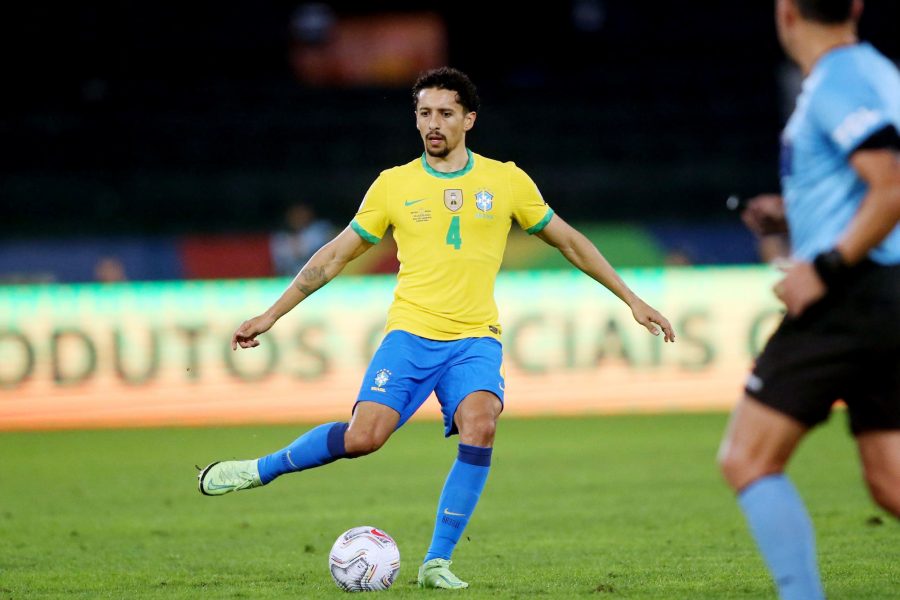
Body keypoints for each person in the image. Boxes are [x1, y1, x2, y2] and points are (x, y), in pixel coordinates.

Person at [198, 67, 675, 590]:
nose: (433, 123)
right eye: (424, 113)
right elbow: (333, 257)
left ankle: (437, 562)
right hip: (410, 335)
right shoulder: (394, 185)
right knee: (362, 439)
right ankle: (258, 469)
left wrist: (632, 298)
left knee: (482, 422)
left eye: (445, 113)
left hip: (475, 339)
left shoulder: (506, 181)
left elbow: (571, 242)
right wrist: (271, 313)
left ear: (469, 119)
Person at [717, 1, 900, 599]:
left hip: (853, 296)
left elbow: (891, 186)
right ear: (855, 6)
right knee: (890, 481)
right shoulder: (877, 72)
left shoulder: (838, 78)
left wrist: (824, 265)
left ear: (786, 12)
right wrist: (793, 210)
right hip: (884, 292)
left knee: (747, 458)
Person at [270, 203, 334, 277]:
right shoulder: (280, 237)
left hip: (320, 277)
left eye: (302, 213)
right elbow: (279, 267)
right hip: (290, 279)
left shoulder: (320, 230)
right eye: (295, 214)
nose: (298, 217)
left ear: (309, 214)